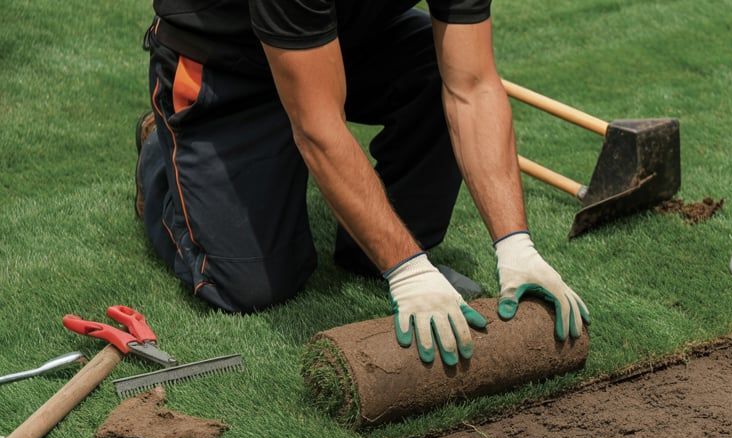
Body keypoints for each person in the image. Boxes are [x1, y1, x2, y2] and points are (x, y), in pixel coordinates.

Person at [136, 0, 589, 365]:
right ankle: (163, 153)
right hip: (228, 67)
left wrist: (516, 246)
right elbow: (317, 127)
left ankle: (376, 252)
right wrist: (409, 273)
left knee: (433, 69)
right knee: (251, 286)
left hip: (338, 41)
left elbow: (471, 86)